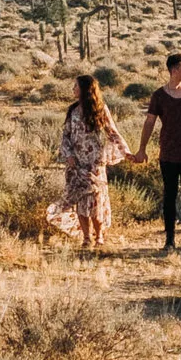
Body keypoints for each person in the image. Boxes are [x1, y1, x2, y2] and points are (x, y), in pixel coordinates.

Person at [133, 53, 181, 252]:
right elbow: (149, 122)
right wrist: (142, 149)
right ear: (173, 70)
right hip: (167, 154)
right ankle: (169, 240)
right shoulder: (159, 95)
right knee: (169, 195)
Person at [45, 74, 130, 250]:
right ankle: (86, 237)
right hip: (76, 163)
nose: (73, 90)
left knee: (96, 201)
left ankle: (99, 236)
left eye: (75, 86)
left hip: (95, 164)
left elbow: (112, 132)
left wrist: (126, 151)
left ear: (84, 89)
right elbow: (66, 136)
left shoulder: (100, 109)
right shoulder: (72, 110)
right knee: (80, 201)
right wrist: (68, 155)